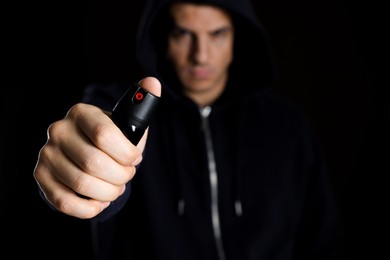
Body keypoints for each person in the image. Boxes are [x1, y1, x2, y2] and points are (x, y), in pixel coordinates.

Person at [33, 0, 345, 259]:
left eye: (217, 34)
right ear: (163, 37)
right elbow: (92, 154)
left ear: (238, 37)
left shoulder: (286, 124)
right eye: (183, 34)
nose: (201, 55)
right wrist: (86, 171)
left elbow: (322, 237)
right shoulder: (122, 109)